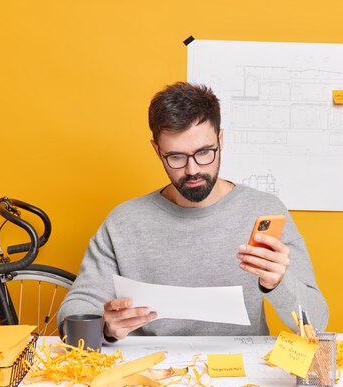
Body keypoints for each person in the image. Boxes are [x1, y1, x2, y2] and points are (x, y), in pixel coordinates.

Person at [58, 81, 328, 341]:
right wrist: (104, 327)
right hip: (149, 370)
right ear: (156, 150)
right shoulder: (123, 222)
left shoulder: (263, 211)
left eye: (204, 152)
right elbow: (74, 311)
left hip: (242, 375)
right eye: (176, 157)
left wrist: (279, 284)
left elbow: (317, 321)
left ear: (221, 140)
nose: (193, 170)